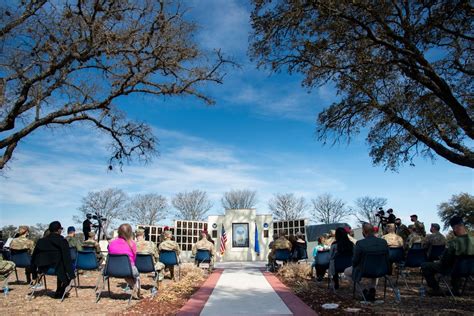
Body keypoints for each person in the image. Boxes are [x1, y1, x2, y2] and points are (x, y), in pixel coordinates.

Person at [422, 216, 474, 296]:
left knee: (425, 265)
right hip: (470, 269)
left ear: (455, 228)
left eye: (453, 228)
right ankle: (455, 289)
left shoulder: (454, 242)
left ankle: (436, 289)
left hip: (455, 269)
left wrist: (439, 261)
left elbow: (446, 261)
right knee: (457, 264)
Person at [344, 223, 389, 302]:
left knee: (347, 272)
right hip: (381, 269)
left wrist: (355, 265)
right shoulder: (383, 242)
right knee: (375, 265)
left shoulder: (360, 243)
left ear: (364, 232)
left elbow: (355, 261)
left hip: (364, 270)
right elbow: (387, 257)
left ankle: (363, 291)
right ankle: (372, 289)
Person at [32, 221, 75, 299]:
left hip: (43, 269)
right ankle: (60, 291)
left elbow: (34, 257)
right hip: (57, 269)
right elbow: (67, 258)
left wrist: (34, 274)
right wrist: (71, 274)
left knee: (59, 265)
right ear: (58, 230)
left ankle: (59, 290)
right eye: (60, 229)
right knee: (63, 270)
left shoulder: (41, 241)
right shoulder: (62, 241)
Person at [108, 224, 140, 298]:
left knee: (126, 271)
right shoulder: (132, 244)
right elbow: (134, 258)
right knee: (133, 272)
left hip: (111, 269)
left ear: (118, 232)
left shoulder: (111, 243)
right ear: (130, 232)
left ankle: (135, 286)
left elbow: (110, 254)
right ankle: (136, 287)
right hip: (127, 269)